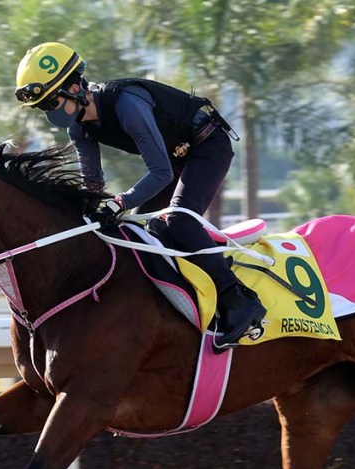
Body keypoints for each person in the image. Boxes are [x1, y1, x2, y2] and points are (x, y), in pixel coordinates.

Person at [14, 42, 266, 351]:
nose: (50, 112)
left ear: (76, 87)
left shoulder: (127, 105)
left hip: (207, 145)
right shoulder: (79, 129)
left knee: (178, 220)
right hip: (176, 159)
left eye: (52, 101)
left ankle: (239, 301)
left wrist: (119, 203)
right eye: (44, 106)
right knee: (140, 232)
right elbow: (93, 184)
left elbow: (160, 173)